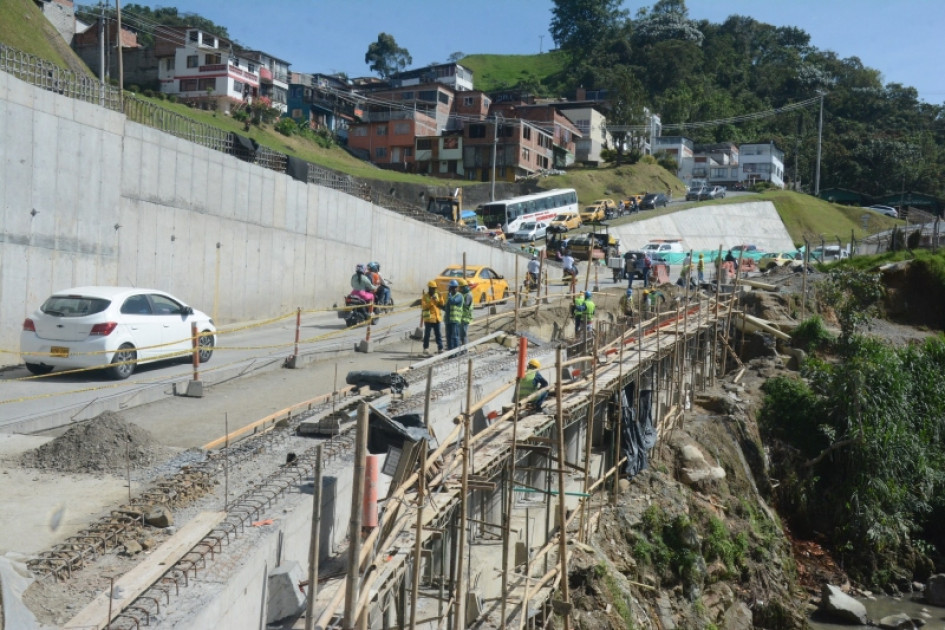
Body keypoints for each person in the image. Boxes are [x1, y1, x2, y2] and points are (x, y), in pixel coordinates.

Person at [420, 280, 444, 355]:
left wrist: (440, 297)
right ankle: (426, 348)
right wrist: (431, 301)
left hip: (437, 318)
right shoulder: (425, 296)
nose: (434, 290)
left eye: (435, 288)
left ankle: (440, 348)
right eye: (432, 288)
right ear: (429, 288)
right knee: (427, 334)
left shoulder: (437, 294)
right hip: (429, 319)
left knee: (438, 334)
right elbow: (424, 307)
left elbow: (442, 304)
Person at [445, 280, 463, 351]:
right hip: (449, 320)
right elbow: (446, 307)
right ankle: (450, 354)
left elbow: (453, 302)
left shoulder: (459, 296)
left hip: (455, 320)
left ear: (457, 288)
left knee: (455, 337)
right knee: (449, 337)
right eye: (452, 288)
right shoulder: (449, 296)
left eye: (454, 287)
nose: (453, 289)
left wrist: (449, 295)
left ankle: (456, 353)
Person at [459, 278, 474, 348]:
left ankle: (465, 349)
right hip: (462, 317)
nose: (459, 289)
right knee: (461, 334)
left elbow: (466, 304)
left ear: (464, 287)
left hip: (466, 317)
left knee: (464, 334)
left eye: (461, 288)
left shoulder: (468, 295)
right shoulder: (464, 294)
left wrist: (458, 301)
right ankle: (463, 348)